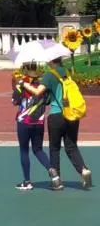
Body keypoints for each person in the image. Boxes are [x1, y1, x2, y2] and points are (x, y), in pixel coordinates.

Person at [36, 56, 91, 190]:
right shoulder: (67, 72)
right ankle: (83, 170)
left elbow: (38, 92)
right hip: (71, 114)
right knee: (71, 146)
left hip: (56, 115)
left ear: (51, 60)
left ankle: (57, 181)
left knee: (54, 148)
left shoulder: (49, 75)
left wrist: (24, 84)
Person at [12, 62, 51, 190]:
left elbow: (15, 101)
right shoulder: (43, 86)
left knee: (24, 151)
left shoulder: (21, 86)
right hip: (39, 122)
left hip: (24, 122)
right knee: (38, 150)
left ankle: (27, 181)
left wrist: (16, 86)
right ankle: (52, 171)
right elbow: (48, 101)